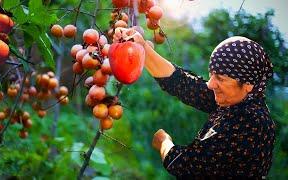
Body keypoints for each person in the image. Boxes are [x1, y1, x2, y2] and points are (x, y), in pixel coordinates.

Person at [114, 28, 275, 179]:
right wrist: (142, 47)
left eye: (220, 78)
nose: (210, 84)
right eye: (211, 75)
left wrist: (163, 141)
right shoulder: (234, 100)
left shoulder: (253, 122)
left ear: (248, 85)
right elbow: (183, 84)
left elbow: (183, 165)